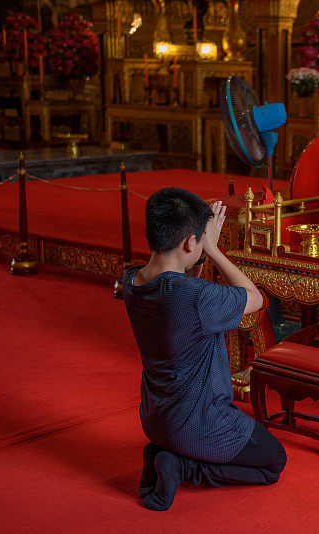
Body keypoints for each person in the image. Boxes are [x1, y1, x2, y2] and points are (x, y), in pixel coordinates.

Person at [122, 187, 286, 511]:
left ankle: (161, 454)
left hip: (156, 419)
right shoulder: (193, 297)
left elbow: (183, 293)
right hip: (200, 422)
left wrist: (199, 249)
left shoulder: (132, 282)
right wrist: (213, 249)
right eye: (198, 239)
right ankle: (183, 466)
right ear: (189, 243)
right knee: (273, 462)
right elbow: (254, 299)